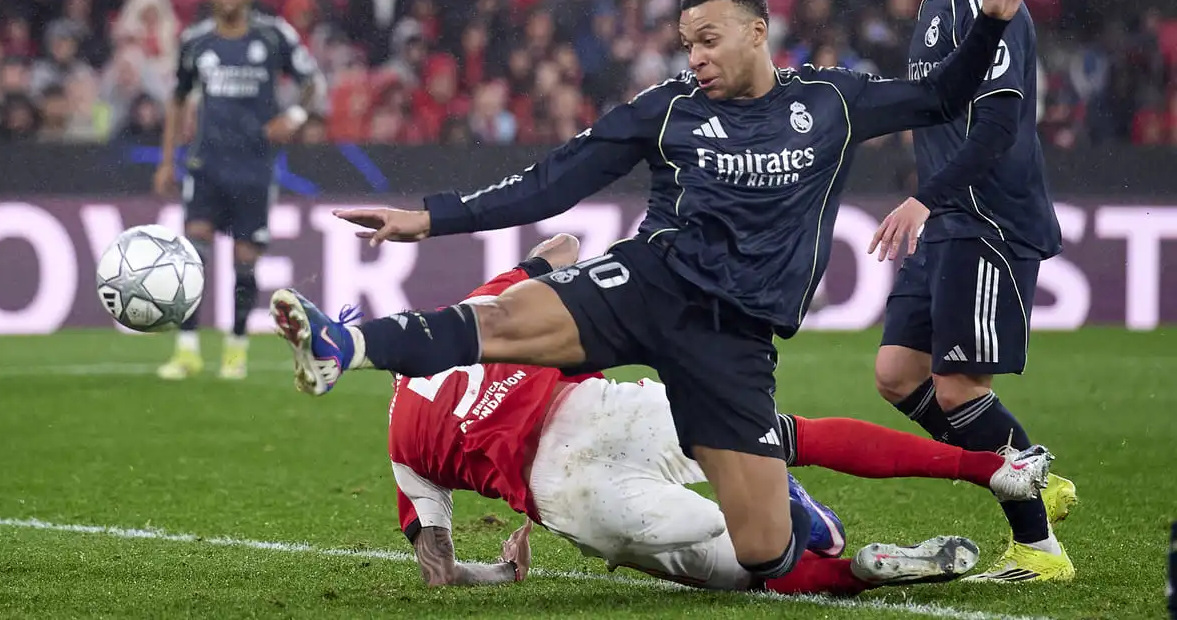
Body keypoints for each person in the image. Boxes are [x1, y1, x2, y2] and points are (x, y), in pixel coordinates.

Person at [272, 0, 1041, 587]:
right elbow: (553, 181)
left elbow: (945, 94)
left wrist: (993, 20)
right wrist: (432, 218)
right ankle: (346, 346)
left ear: (757, 32)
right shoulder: (666, 108)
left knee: (762, 549)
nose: (695, 57)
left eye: (709, 39)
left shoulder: (834, 101)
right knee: (505, 320)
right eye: (687, 44)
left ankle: (862, 567)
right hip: (650, 284)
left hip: (734, 340)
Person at [387, 234, 1053, 593]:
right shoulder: (479, 313)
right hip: (604, 408)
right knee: (789, 435)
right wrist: (544, 271)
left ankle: (852, 570)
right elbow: (562, 244)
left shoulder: (403, 442)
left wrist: (501, 571)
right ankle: (987, 469)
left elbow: (438, 570)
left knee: (759, 567)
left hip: (569, 493)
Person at [873, 0, 1074, 582]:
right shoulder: (936, 2)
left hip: (986, 216)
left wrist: (926, 197)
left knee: (959, 387)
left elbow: (995, 129)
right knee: (898, 374)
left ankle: (1038, 546)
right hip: (949, 215)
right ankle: (1028, 469)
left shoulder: (988, 0)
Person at [154, 0, 325, 381]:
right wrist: (165, 161)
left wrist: (296, 119)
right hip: (206, 164)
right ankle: (188, 348)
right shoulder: (197, 41)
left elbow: (311, 83)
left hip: (254, 168)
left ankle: (236, 347)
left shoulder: (273, 36)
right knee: (194, 254)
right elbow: (177, 100)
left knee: (245, 260)